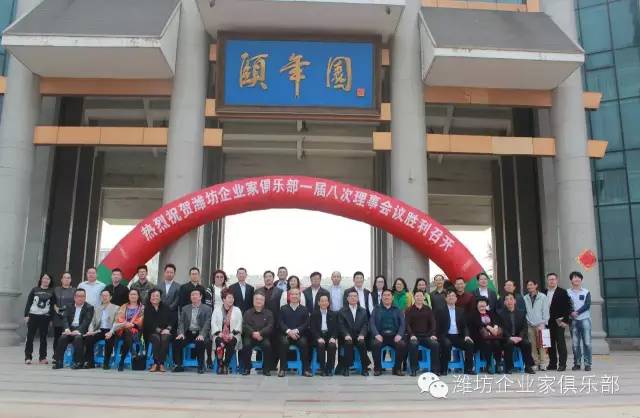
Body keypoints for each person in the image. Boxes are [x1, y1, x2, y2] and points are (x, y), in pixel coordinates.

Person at [52, 289, 94, 370]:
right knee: (62, 338)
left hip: (82, 331)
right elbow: (65, 319)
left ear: (85, 297)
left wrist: (78, 330)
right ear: (74, 297)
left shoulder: (89, 307)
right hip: (70, 330)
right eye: (78, 296)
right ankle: (59, 362)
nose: (80, 298)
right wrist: (67, 329)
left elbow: (86, 321)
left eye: (82, 296)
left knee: (78, 338)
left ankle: (79, 362)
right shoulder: (68, 306)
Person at [436, 289, 475, 375]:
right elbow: (437, 325)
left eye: (453, 296)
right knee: (446, 344)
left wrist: (467, 335)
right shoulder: (440, 310)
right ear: (445, 299)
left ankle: (468, 369)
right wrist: (437, 336)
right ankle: (443, 369)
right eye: (449, 296)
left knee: (469, 344)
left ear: (456, 298)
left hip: (458, 336)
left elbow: (464, 326)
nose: (451, 297)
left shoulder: (461, 310)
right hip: (445, 335)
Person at [173, 288, 212, 374]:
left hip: (200, 332)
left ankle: (201, 366)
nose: (194, 296)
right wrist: (181, 333)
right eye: (192, 295)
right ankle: (179, 365)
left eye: (196, 295)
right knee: (177, 341)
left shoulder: (207, 308)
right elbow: (181, 322)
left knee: (200, 342)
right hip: (188, 332)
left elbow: (207, 323)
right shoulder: (185, 308)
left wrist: (202, 335)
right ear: (190, 297)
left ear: (200, 297)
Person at [370, 289, 406, 376]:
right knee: (375, 344)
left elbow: (403, 324)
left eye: (388, 295)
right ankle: (377, 368)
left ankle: (397, 369)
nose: (386, 297)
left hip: (394, 336)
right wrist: (376, 334)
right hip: (381, 336)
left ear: (392, 297)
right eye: (384, 295)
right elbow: (371, 323)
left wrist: (399, 335)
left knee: (402, 344)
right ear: (381, 297)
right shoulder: (376, 309)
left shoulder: (397, 309)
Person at [278, 288, 312, 377]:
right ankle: (282, 369)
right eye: (292, 294)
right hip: (286, 334)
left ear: (300, 296)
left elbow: (306, 323)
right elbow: (280, 322)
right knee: (283, 343)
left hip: (299, 335)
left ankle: (305, 369)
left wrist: (296, 331)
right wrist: (289, 331)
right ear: (289, 296)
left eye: (296, 294)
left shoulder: (304, 309)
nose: (294, 296)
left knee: (304, 343)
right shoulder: (283, 308)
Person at [405, 290, 440, 376]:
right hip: (414, 336)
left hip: (426, 336)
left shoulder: (428, 309)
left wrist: (433, 334)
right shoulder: (409, 309)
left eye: (421, 296)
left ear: (424, 297)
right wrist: (411, 335)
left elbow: (433, 323)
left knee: (435, 344)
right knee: (413, 344)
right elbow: (407, 324)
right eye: (417, 296)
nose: (419, 298)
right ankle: (414, 369)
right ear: (414, 297)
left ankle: (435, 369)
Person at [498, 293, 536, 374]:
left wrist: (520, 337)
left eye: (511, 299)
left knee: (527, 343)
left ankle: (528, 366)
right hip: (506, 338)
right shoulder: (500, 314)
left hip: (519, 337)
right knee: (509, 343)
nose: (509, 301)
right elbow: (502, 328)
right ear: (504, 302)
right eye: (507, 299)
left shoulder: (521, 313)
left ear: (515, 301)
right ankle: (509, 367)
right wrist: (510, 337)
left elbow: (524, 327)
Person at [24, 273, 56, 364]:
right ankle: (28, 357)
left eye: (48, 279)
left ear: (50, 281)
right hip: (33, 315)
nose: (46, 280)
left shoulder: (52, 291)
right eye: (44, 278)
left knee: (43, 337)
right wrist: (26, 315)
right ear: (41, 279)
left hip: (45, 317)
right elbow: (29, 302)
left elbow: (53, 306)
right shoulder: (35, 289)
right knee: (30, 337)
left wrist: (51, 319)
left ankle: (42, 357)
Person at [544, 272, 572, 372]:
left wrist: (565, 320)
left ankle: (562, 364)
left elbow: (568, 306)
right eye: (550, 279)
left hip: (559, 321)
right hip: (547, 322)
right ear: (547, 281)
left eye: (553, 279)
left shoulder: (562, 292)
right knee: (549, 343)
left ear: (557, 280)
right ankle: (552, 364)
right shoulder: (544, 292)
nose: (551, 281)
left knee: (560, 343)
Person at [84, 289, 118, 369]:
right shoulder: (97, 308)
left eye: (106, 296)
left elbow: (116, 322)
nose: (104, 297)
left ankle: (106, 362)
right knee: (88, 338)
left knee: (109, 340)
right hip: (99, 330)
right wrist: (91, 330)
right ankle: (90, 362)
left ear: (110, 297)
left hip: (111, 330)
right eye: (102, 296)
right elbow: (92, 321)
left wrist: (111, 332)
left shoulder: (116, 308)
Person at [111, 289, 144, 371]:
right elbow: (119, 318)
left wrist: (132, 324)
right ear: (128, 296)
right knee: (127, 332)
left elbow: (141, 320)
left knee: (128, 333)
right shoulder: (124, 306)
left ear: (138, 296)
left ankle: (122, 360)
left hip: (135, 331)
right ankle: (131, 355)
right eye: (131, 294)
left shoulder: (142, 308)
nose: (133, 296)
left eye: (135, 294)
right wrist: (126, 324)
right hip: (122, 330)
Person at [241, 292, 274, 376]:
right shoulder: (247, 312)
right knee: (246, 345)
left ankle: (266, 369)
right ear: (253, 301)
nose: (258, 301)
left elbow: (270, 326)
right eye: (257, 299)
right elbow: (244, 326)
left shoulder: (269, 313)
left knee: (268, 346)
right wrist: (253, 333)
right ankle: (247, 368)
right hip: (250, 336)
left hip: (263, 337)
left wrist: (260, 333)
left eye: (261, 299)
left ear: (264, 301)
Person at [469, 297, 504, 374]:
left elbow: (496, 321)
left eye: (484, 302)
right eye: (480, 302)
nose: (482, 304)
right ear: (477, 304)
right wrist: (488, 327)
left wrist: (495, 327)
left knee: (497, 343)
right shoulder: (473, 314)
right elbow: (477, 324)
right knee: (487, 343)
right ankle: (488, 365)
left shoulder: (490, 312)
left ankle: (498, 364)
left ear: (486, 304)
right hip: (479, 337)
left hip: (492, 336)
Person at [338, 289, 369, 376]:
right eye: (351, 296)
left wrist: (362, 334)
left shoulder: (363, 311)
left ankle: (364, 368)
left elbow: (365, 325)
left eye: (355, 296)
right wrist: (346, 335)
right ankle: (346, 368)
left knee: (362, 342)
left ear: (358, 298)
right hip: (347, 336)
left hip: (359, 336)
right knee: (348, 342)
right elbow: (341, 325)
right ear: (347, 299)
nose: (353, 298)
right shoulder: (342, 311)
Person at [211, 289, 243, 374]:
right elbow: (213, 323)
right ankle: (220, 364)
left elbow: (239, 323)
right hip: (220, 334)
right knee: (219, 342)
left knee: (232, 342)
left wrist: (232, 334)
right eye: (229, 297)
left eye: (232, 298)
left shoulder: (237, 310)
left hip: (233, 335)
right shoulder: (217, 309)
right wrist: (219, 333)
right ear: (224, 299)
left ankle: (225, 365)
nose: (231, 299)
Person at [144, 288, 173, 372]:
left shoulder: (166, 307)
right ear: (150, 297)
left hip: (165, 331)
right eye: (153, 296)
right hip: (151, 332)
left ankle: (161, 364)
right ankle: (156, 363)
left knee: (165, 338)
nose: (155, 297)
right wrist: (160, 331)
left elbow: (172, 320)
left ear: (160, 297)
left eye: (157, 296)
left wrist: (168, 329)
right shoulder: (147, 308)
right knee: (156, 339)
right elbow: (148, 323)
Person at [568, 271, 592, 372]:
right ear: (571, 280)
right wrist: (571, 312)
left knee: (587, 343)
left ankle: (587, 364)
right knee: (575, 344)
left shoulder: (586, 292)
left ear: (581, 279)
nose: (576, 279)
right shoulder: (567, 292)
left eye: (578, 277)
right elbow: (566, 304)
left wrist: (577, 312)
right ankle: (577, 363)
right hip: (573, 321)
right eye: (574, 277)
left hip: (585, 319)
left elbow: (587, 305)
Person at [260, 270, 283, 371]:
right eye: (266, 276)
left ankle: (273, 365)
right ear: (264, 278)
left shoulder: (280, 291)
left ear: (273, 278)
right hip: (261, 322)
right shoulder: (258, 291)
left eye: (270, 276)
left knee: (275, 344)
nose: (268, 278)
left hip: (275, 322)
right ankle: (261, 365)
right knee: (262, 343)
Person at [204, 269, 228, 368]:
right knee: (211, 336)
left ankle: (221, 360)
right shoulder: (210, 289)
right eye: (217, 277)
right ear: (214, 278)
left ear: (224, 278)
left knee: (222, 337)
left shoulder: (227, 289)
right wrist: (210, 318)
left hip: (225, 315)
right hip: (213, 314)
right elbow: (207, 305)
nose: (219, 278)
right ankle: (209, 358)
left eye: (221, 277)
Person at [310, 294, 338, 376]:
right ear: (318, 303)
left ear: (328, 303)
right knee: (321, 345)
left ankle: (330, 368)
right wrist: (318, 338)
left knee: (332, 346)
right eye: (322, 301)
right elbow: (312, 328)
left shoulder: (333, 314)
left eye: (326, 301)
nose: (324, 303)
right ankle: (322, 368)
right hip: (318, 337)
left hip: (329, 336)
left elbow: (336, 328)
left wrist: (333, 337)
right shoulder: (314, 314)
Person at [524, 279, 549, 371]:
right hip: (530, 324)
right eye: (528, 285)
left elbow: (546, 311)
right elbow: (525, 311)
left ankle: (543, 363)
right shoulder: (525, 298)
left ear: (536, 285)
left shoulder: (543, 297)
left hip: (541, 324)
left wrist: (544, 323)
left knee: (542, 345)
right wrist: (527, 322)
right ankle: (535, 362)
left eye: (531, 284)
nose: (529, 287)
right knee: (532, 345)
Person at [52, 272, 75, 354]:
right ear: (61, 279)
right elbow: (53, 302)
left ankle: (67, 355)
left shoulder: (74, 290)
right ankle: (56, 355)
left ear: (71, 280)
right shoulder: (56, 290)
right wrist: (56, 309)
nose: (66, 279)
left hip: (70, 318)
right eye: (65, 277)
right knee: (57, 337)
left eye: (68, 278)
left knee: (68, 337)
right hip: (58, 317)